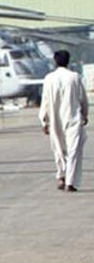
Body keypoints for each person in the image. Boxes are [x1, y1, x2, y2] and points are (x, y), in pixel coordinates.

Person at [39, 50, 88, 191]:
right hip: (73, 118)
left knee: (58, 148)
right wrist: (85, 115)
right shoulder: (75, 77)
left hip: (55, 118)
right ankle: (70, 182)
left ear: (55, 61)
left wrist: (44, 121)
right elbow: (83, 99)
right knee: (73, 150)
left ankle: (61, 175)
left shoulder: (49, 78)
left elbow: (45, 101)